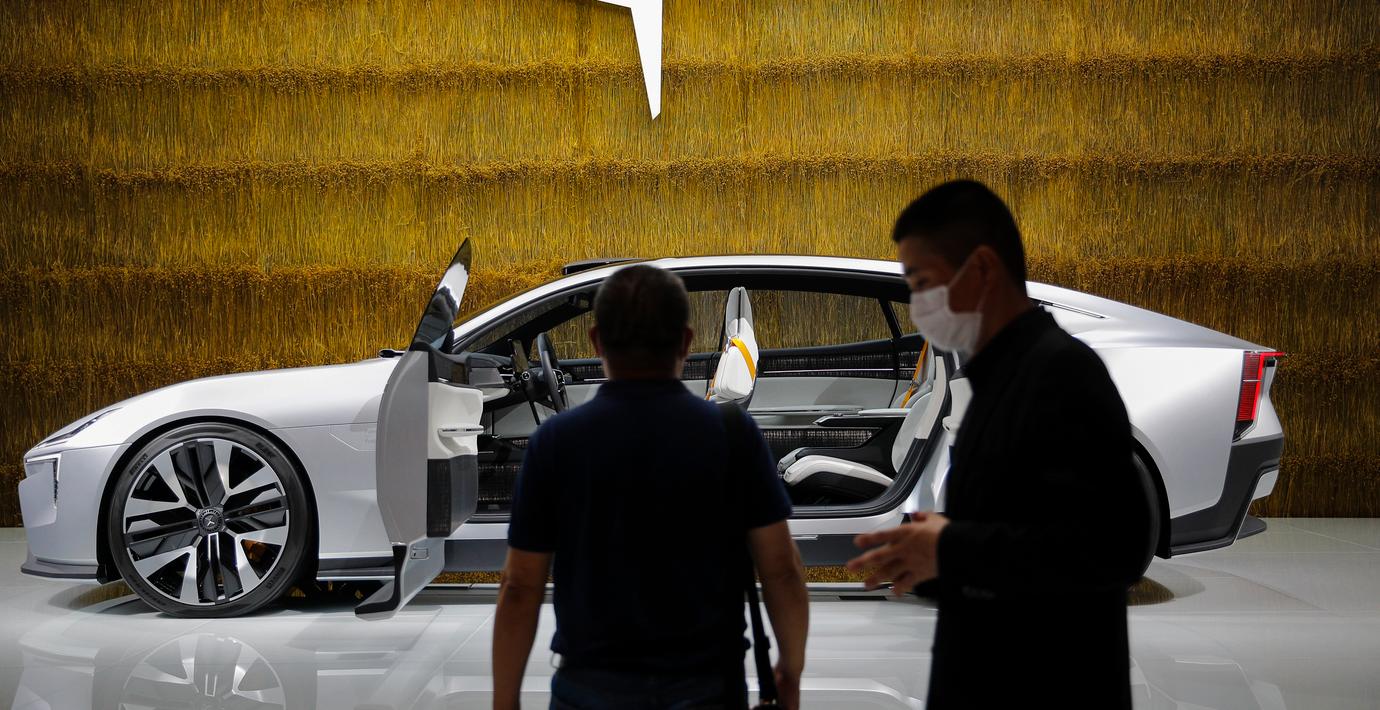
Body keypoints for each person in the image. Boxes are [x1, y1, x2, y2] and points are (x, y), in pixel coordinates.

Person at [846, 180, 1151, 708]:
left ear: (982, 269)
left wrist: (950, 546)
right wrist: (935, 557)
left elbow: (1109, 547)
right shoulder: (1000, 376)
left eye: (923, 284)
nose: (918, 305)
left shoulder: (1062, 373)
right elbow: (1019, 525)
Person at [492, 264, 809, 710]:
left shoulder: (555, 441)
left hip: (590, 687)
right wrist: (789, 673)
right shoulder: (733, 434)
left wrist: (504, 701)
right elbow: (781, 569)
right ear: (686, 341)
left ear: (596, 341)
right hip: (710, 686)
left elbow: (520, 586)